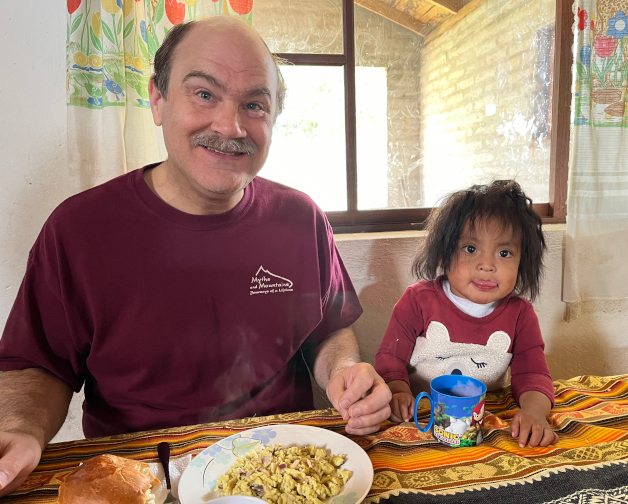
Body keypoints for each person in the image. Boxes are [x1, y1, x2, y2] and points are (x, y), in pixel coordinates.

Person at [0, 17, 391, 497]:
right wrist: (22, 428)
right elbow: (38, 365)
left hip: (281, 469)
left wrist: (345, 375)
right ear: (158, 100)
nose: (230, 126)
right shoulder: (78, 228)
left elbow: (328, 331)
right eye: (204, 94)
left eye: (254, 104)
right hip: (142, 476)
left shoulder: (301, 217)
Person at [375, 180, 558, 448]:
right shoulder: (417, 300)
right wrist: (397, 389)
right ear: (442, 253)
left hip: (482, 426)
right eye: (470, 249)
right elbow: (390, 358)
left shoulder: (521, 314)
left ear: (523, 262)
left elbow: (533, 376)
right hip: (420, 421)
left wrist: (534, 412)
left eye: (504, 253)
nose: (487, 265)